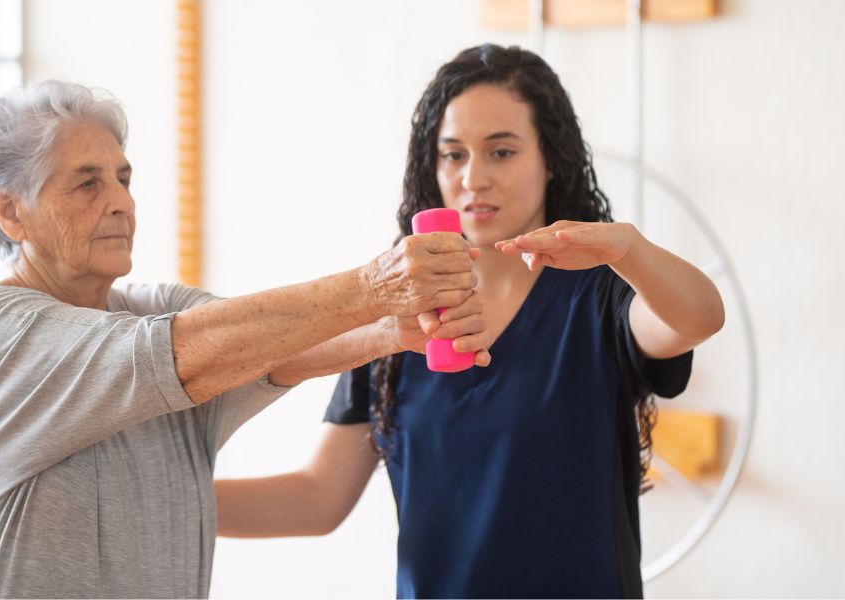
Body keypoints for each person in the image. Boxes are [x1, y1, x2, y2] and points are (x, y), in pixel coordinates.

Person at [0, 80, 492, 599]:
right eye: (88, 182)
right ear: (11, 212)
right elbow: (179, 355)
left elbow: (267, 350)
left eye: (123, 180)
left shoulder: (157, 309)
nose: (122, 203)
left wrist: (391, 330)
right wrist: (374, 288)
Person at [214, 44, 726, 598]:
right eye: (453, 155)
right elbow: (316, 498)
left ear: (549, 158)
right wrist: (160, 494)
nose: (473, 178)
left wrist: (627, 247)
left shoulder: (599, 300)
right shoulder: (397, 322)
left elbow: (698, 317)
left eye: (501, 152)